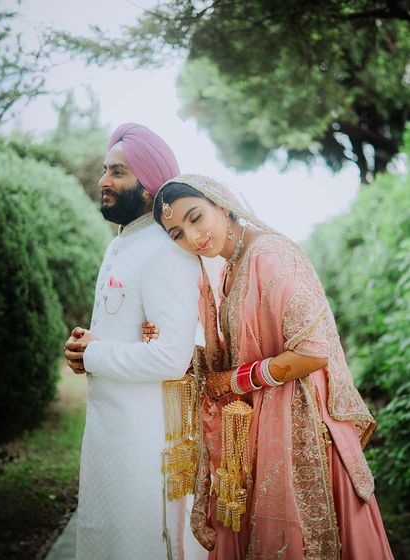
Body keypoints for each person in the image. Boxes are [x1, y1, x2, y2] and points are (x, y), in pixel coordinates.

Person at [143, 174, 394, 559]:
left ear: (222, 205)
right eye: (177, 233)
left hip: (301, 428)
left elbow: (313, 352)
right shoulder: (232, 266)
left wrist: (237, 380)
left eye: (196, 218)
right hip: (264, 422)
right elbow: (241, 351)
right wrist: (167, 343)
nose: (193, 238)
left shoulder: (270, 255)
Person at [63, 125, 202, 560]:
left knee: (137, 542)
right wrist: (87, 349)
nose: (104, 181)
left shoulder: (166, 250)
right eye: (105, 170)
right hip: (110, 431)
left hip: (146, 440)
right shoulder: (121, 246)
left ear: (148, 187)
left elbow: (171, 357)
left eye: (117, 172)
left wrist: (96, 354)